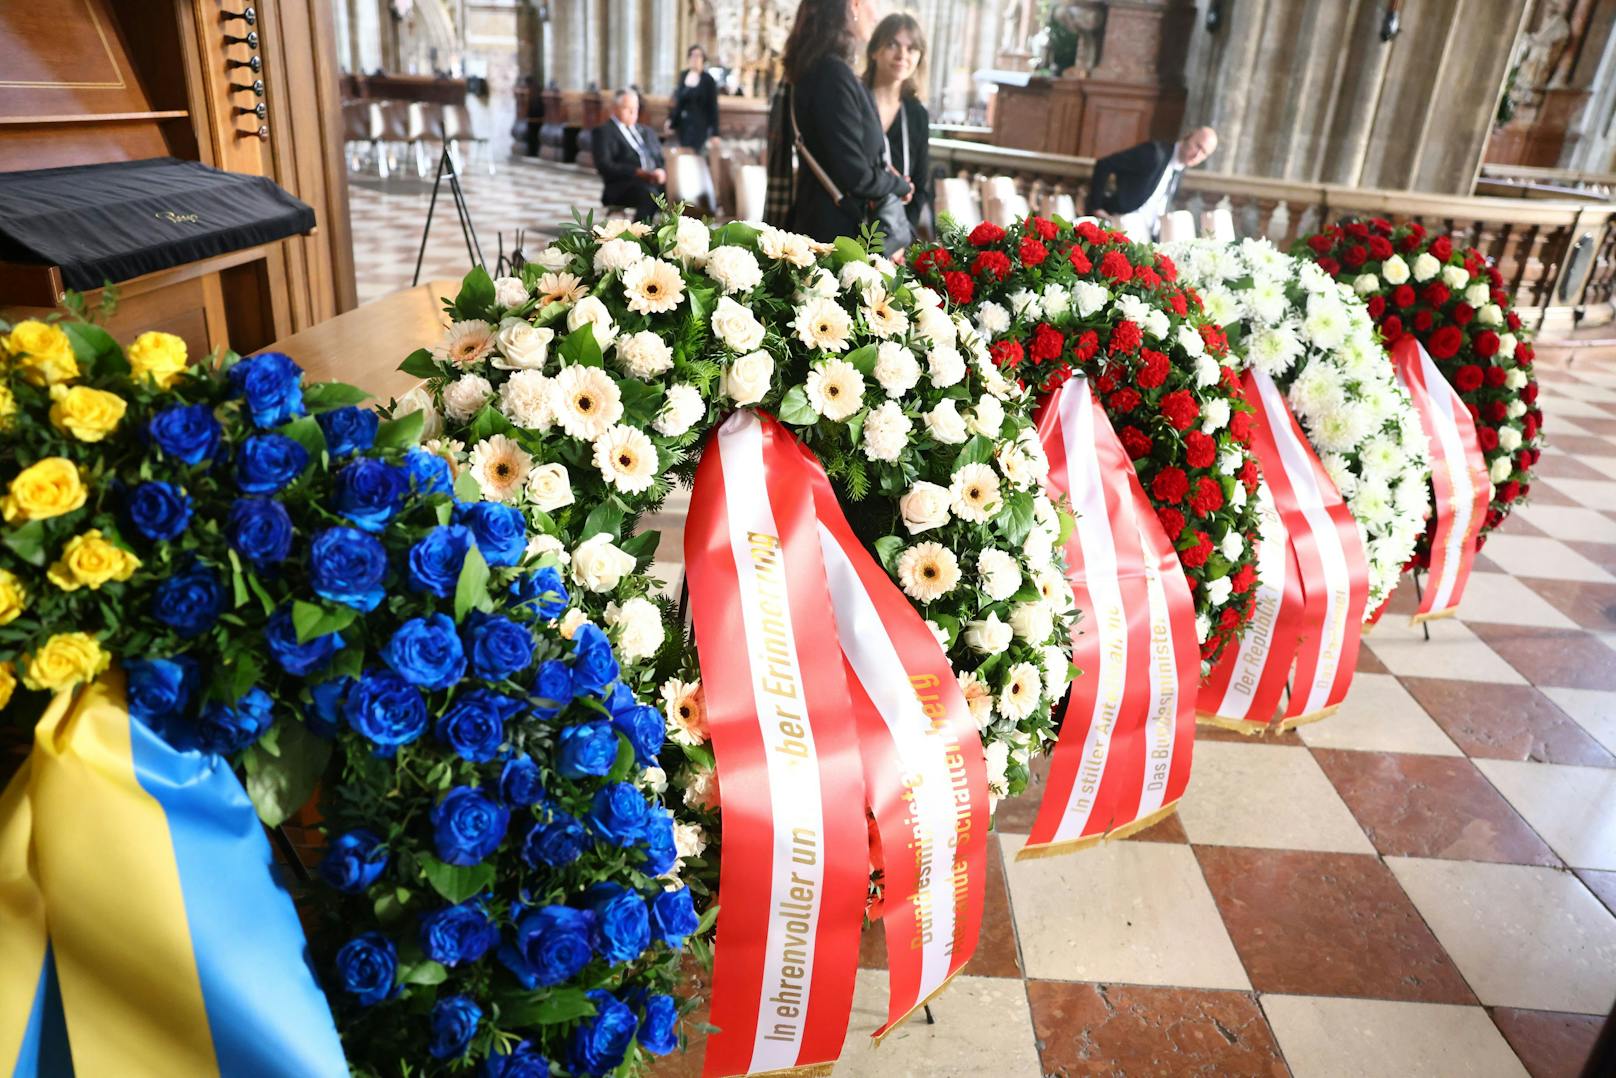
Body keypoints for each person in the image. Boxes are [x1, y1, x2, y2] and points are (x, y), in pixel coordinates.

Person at [777, 0, 914, 255]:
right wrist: (899, 185)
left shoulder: (820, 68)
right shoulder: (832, 74)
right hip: (834, 240)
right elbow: (856, 176)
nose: (875, 14)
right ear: (854, 5)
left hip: (826, 228)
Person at [1085, 126, 1218, 241]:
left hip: (1150, 236)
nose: (1197, 155)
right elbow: (1104, 164)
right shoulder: (1154, 153)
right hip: (1122, 224)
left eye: (1204, 154)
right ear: (1188, 136)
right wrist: (1096, 206)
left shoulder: (1180, 169)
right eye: (1198, 146)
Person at [865, 13, 930, 235]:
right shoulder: (854, 102)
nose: (902, 55)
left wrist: (902, 238)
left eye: (912, 48)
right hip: (847, 225)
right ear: (874, 51)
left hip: (892, 238)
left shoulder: (917, 115)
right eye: (893, 44)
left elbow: (920, 188)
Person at [592, 89, 666, 222]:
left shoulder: (646, 131)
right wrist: (637, 172)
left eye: (635, 109)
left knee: (679, 194)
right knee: (650, 196)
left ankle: (675, 238)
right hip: (622, 185)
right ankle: (639, 236)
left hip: (652, 181)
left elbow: (660, 159)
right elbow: (604, 165)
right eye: (627, 108)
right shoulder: (604, 132)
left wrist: (661, 171)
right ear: (614, 109)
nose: (633, 113)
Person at [667, 45, 720, 151]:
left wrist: (715, 133)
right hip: (683, 125)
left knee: (695, 154)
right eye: (692, 56)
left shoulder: (708, 80)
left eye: (698, 56)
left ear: (703, 59)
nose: (695, 59)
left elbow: (713, 107)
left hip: (699, 126)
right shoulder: (684, 75)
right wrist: (671, 121)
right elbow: (678, 102)